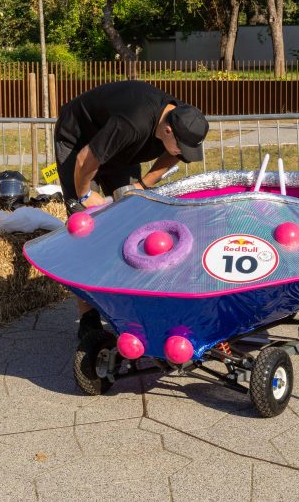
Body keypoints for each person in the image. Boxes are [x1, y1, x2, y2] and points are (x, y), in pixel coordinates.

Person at [53, 78, 209, 336]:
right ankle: (88, 320)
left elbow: (174, 153)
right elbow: (84, 159)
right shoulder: (132, 123)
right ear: (168, 131)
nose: (184, 155)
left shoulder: (181, 118)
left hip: (121, 152)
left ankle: (131, 302)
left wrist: (144, 185)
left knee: (133, 220)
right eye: (183, 149)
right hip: (80, 141)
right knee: (84, 229)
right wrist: (83, 195)